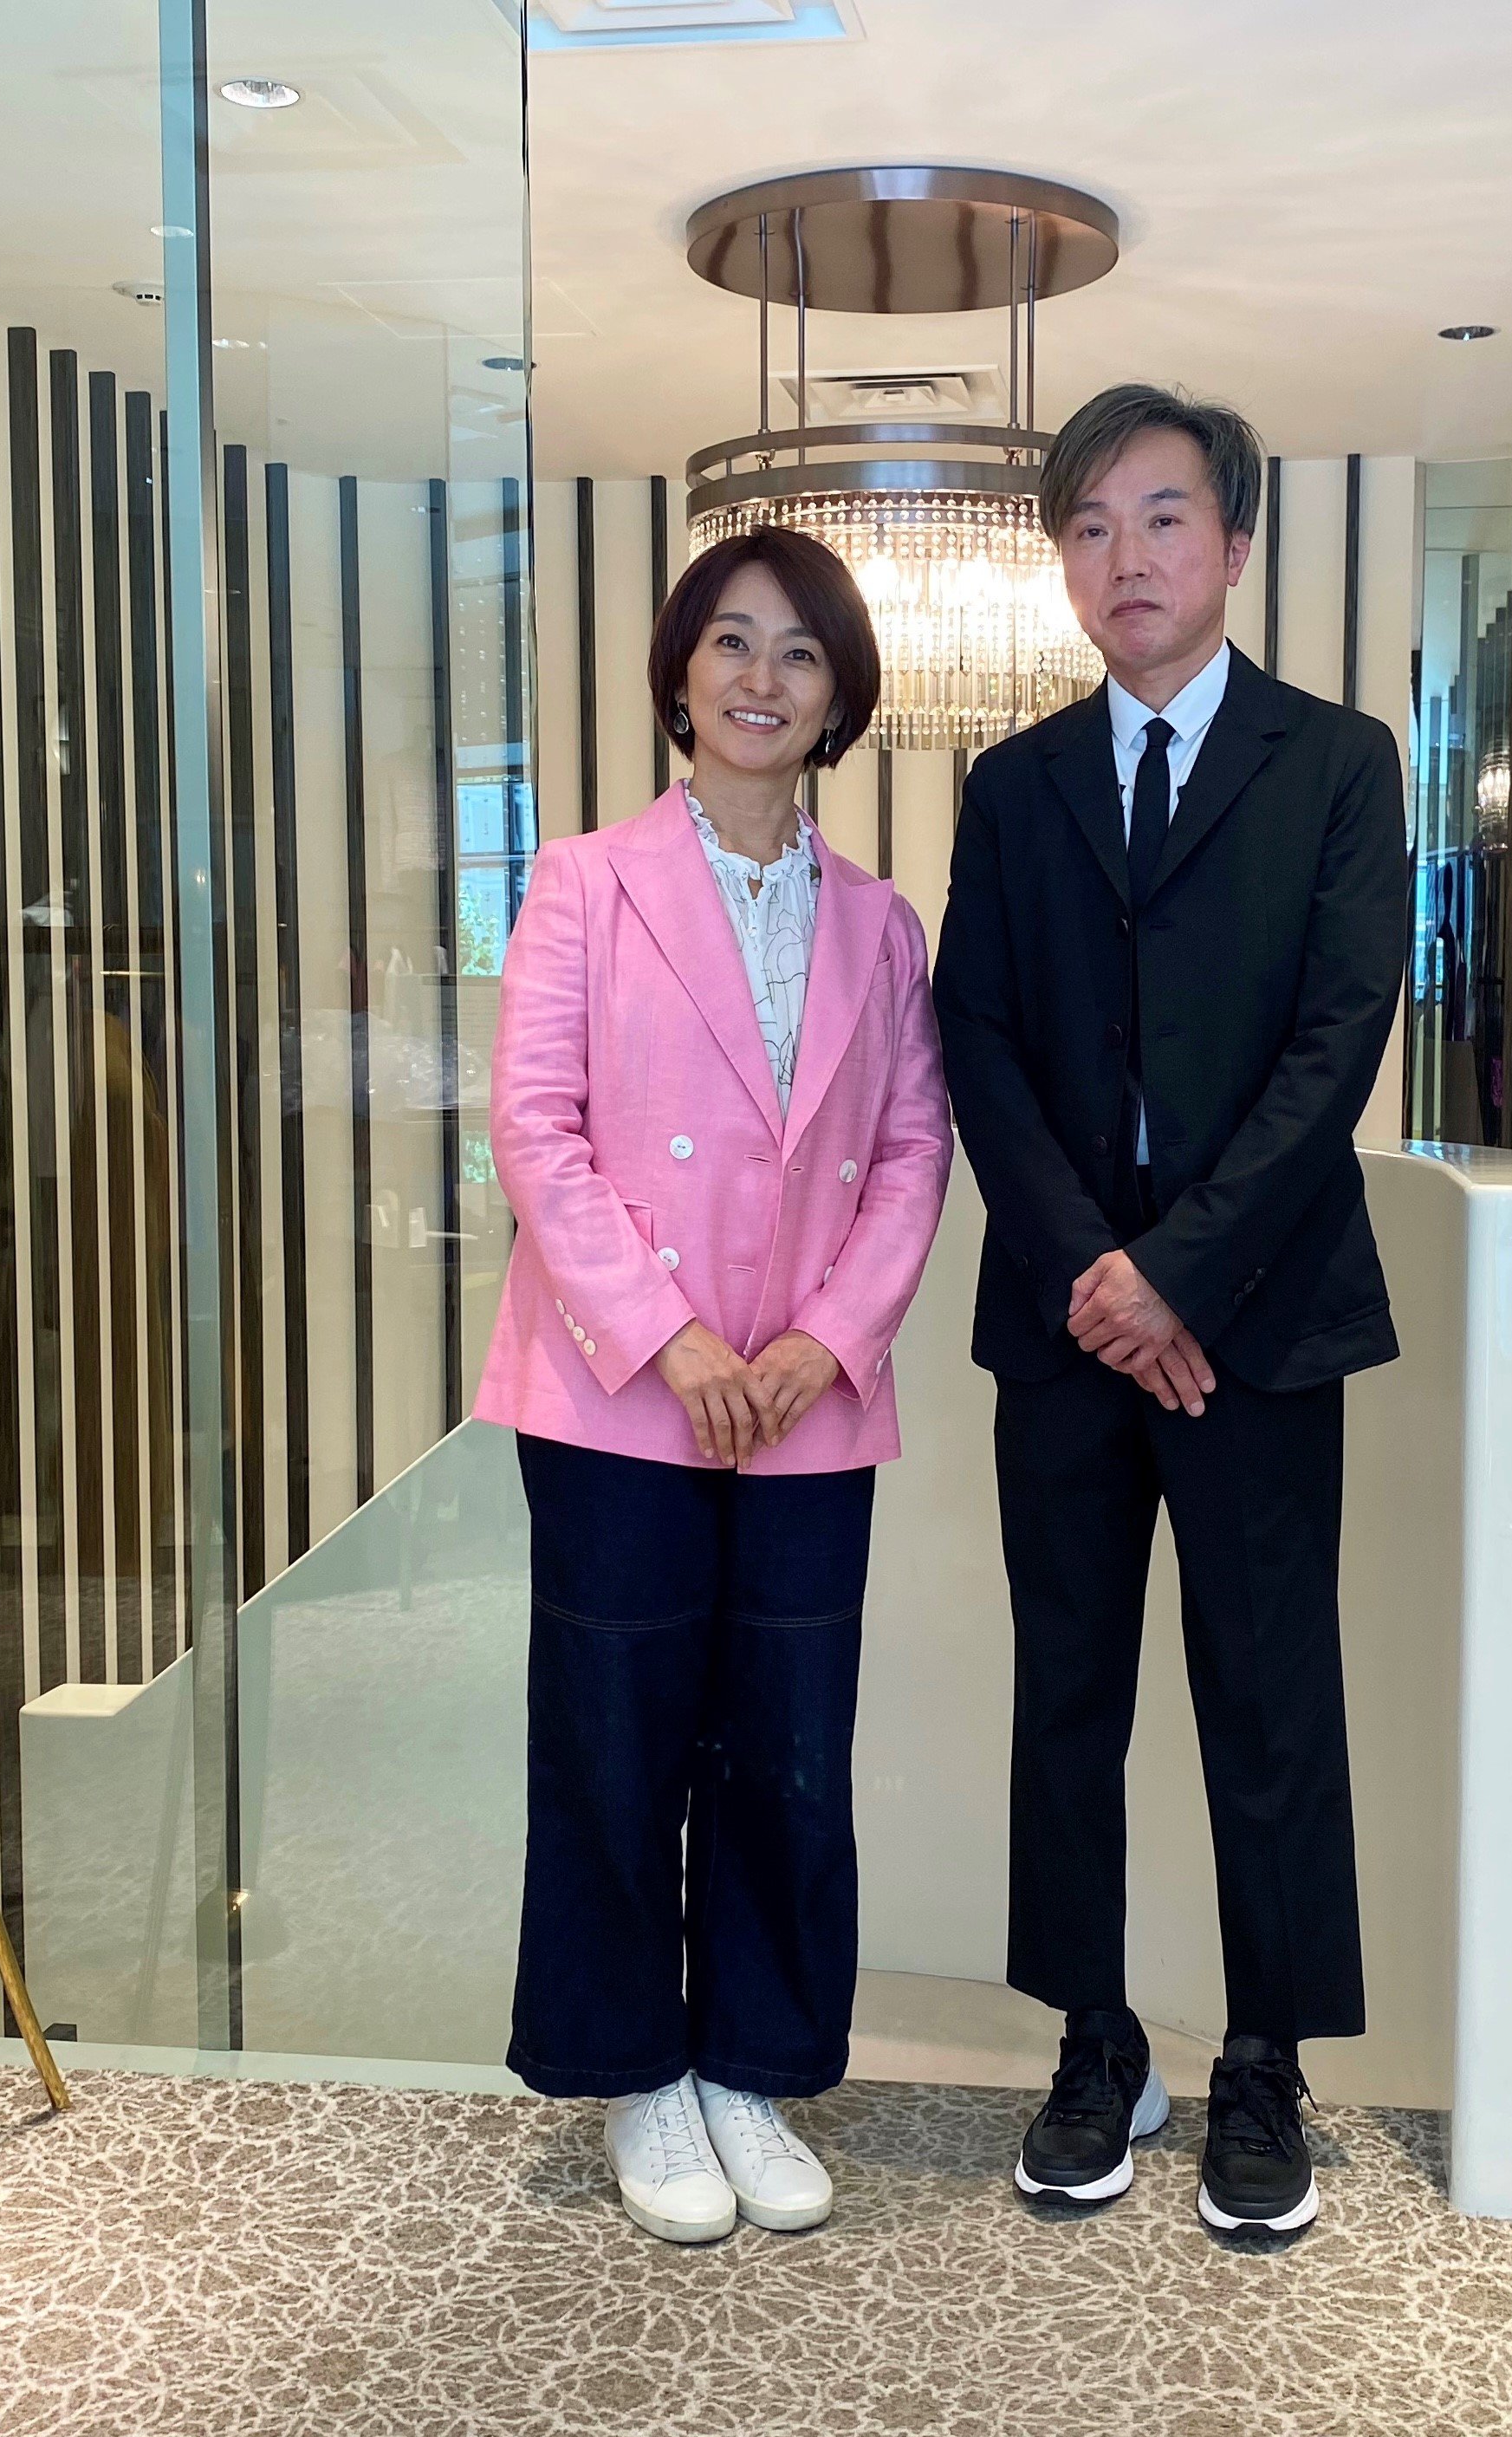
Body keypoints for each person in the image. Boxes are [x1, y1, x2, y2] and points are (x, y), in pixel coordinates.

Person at [935, 384, 1407, 2239]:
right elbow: (976, 1037)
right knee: (1068, 1690)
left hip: (1258, 1315)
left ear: (1233, 543)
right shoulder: (1014, 785)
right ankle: (1093, 2037)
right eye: (1087, 526)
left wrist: (1180, 1272)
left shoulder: (1337, 761)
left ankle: (1265, 2056)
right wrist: (1098, 1276)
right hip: (1067, 1319)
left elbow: (1336, 1038)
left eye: (1159, 516)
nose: (1122, 556)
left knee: (1267, 1697)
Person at [477, 525, 952, 2245]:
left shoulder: (882, 923)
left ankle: (750, 2058)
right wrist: (670, 1337)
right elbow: (535, 1124)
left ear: (839, 696)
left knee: (788, 1743)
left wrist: (822, 1341)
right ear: (680, 673)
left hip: (808, 1400)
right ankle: (635, 2068)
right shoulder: (584, 880)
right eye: (732, 642)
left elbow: (914, 1145)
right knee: (618, 1732)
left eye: (800, 651)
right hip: (622, 1386)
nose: (762, 676)